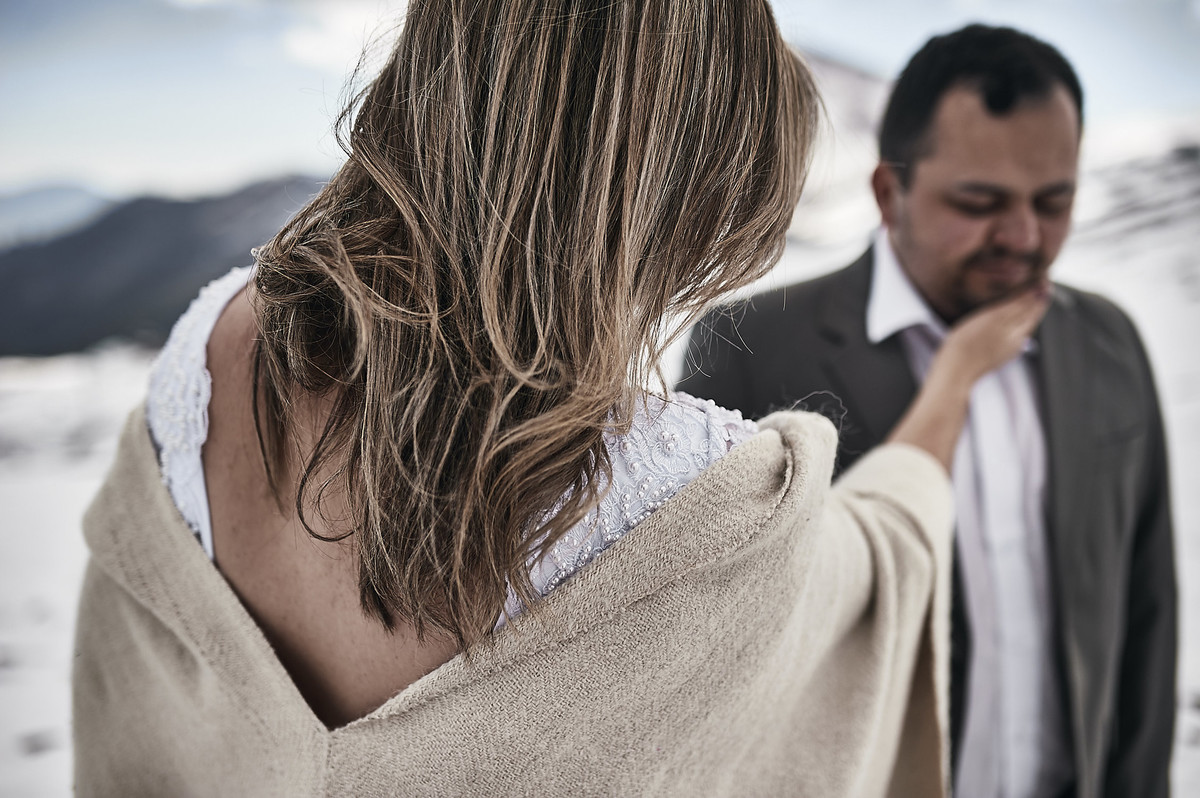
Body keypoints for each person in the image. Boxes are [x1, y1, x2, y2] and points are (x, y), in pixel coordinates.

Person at [75, 4, 1040, 795]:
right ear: (678, 198)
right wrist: (954, 379)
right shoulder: (689, 500)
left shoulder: (206, 360)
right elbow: (881, 560)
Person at [679, 23, 1177, 798]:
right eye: (980, 202)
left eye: (1055, 201)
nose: (1024, 236)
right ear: (889, 193)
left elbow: (1147, 607)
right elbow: (713, 650)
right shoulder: (749, 347)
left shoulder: (1109, 341)